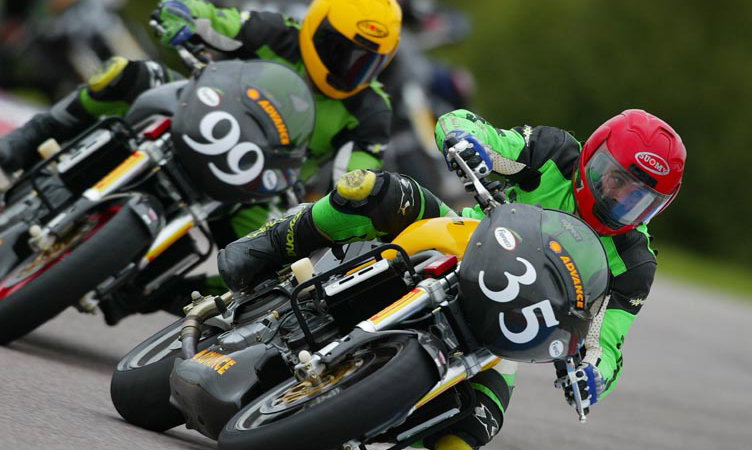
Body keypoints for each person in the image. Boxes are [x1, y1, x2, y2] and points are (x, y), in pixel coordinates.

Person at [215, 108, 687, 449]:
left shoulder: (635, 262)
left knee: (475, 427)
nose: (621, 201)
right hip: (462, 240)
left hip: (504, 331)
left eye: (641, 200)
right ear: (594, 156)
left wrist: (593, 374)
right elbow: (475, 130)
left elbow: (607, 340)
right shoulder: (554, 154)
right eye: (617, 179)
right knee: (370, 190)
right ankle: (271, 243)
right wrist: (466, 140)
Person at [0, 0, 402, 323]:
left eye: (366, 60)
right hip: (201, 109)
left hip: (257, 185)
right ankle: (35, 134)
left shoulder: (372, 109)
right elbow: (212, 18)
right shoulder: (275, 32)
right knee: (124, 72)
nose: (349, 67)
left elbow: (355, 176)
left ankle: (161, 291)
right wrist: (180, 14)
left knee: (275, 264)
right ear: (315, 27)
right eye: (339, 49)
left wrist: (348, 198)